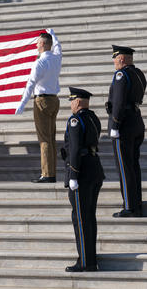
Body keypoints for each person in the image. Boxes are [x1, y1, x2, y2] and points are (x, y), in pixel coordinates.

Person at [62, 87, 104, 273]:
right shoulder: (93, 117)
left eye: (71, 101)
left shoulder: (75, 120)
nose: (71, 104)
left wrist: (73, 175)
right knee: (89, 218)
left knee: (81, 219)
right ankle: (90, 257)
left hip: (82, 173)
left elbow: (75, 149)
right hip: (95, 170)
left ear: (77, 102)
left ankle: (86, 262)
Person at [15, 29, 63, 183]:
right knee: (51, 138)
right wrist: (53, 35)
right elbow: (58, 47)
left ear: (42, 44)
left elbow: (30, 84)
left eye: (37, 42)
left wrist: (22, 104)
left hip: (42, 101)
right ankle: (51, 172)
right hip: (54, 100)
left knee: (44, 139)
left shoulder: (40, 62)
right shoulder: (56, 58)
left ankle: (47, 174)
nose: (36, 45)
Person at [107, 45, 147, 217]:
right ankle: (136, 202)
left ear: (121, 59)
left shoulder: (121, 74)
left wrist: (115, 124)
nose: (115, 63)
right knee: (133, 166)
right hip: (136, 120)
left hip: (124, 124)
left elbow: (119, 102)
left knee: (124, 167)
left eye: (115, 59)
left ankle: (130, 206)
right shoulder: (139, 73)